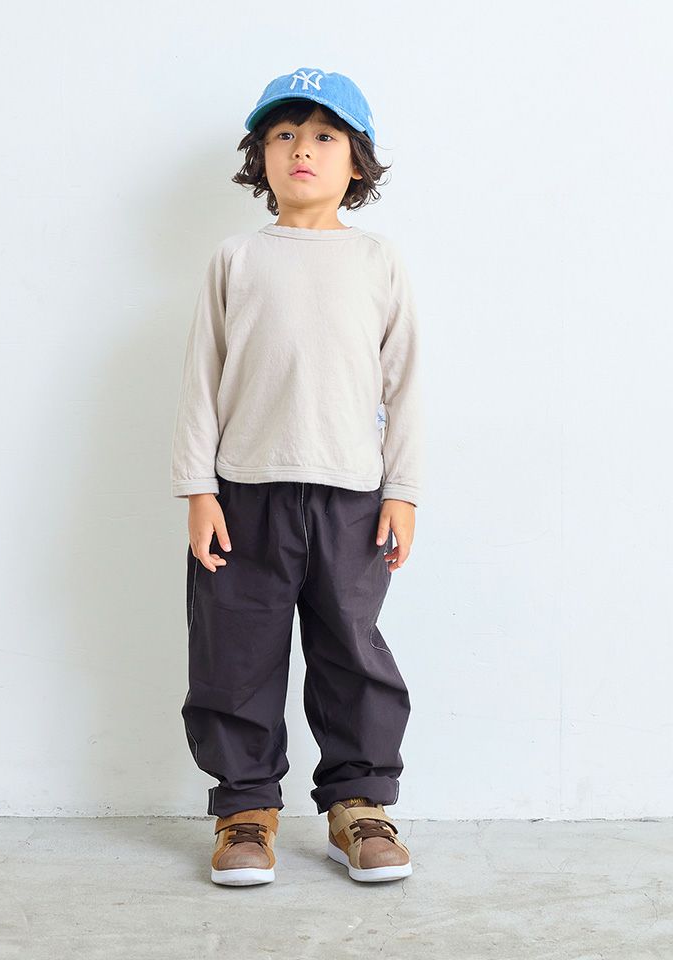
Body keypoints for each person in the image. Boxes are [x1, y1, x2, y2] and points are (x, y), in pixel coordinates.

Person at [170, 66, 423, 886]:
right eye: (283, 135)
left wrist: (403, 491)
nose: (301, 150)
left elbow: (406, 384)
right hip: (244, 494)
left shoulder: (378, 261)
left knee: (352, 653)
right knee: (235, 656)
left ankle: (360, 806)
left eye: (323, 136)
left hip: (352, 495)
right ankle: (245, 811)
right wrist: (198, 489)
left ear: (356, 160)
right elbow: (201, 379)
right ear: (261, 158)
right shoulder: (237, 259)